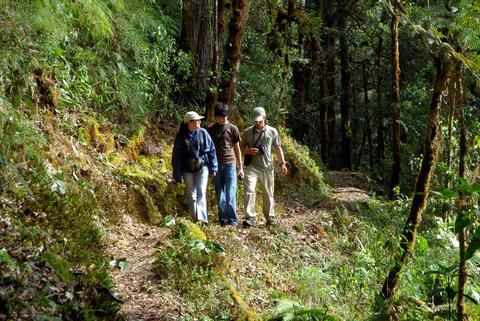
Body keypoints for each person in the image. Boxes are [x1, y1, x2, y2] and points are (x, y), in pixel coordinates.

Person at [240, 107, 287, 227]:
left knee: (268, 193)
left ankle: (270, 218)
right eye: (256, 121)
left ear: (265, 118)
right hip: (251, 167)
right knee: (249, 191)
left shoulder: (272, 131)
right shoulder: (247, 132)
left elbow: (277, 147)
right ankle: (250, 218)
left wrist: (282, 163)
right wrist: (248, 150)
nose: (258, 123)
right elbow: (240, 147)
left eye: (260, 121)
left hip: (267, 167)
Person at [172, 111, 218, 224]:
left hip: (202, 168)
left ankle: (202, 219)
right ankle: (195, 219)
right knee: (192, 195)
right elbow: (176, 156)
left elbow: (211, 150)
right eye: (196, 120)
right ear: (189, 122)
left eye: (199, 120)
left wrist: (213, 167)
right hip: (187, 170)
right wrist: (177, 175)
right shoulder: (180, 136)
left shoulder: (203, 133)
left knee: (201, 191)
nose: (199, 122)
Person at [207, 102, 243, 226]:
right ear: (215, 116)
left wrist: (240, 168)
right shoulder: (210, 129)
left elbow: (237, 148)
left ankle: (232, 219)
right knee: (220, 192)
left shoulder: (233, 128)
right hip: (216, 164)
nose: (222, 119)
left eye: (224, 116)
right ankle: (223, 218)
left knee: (230, 192)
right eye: (219, 117)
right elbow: (208, 148)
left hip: (230, 163)